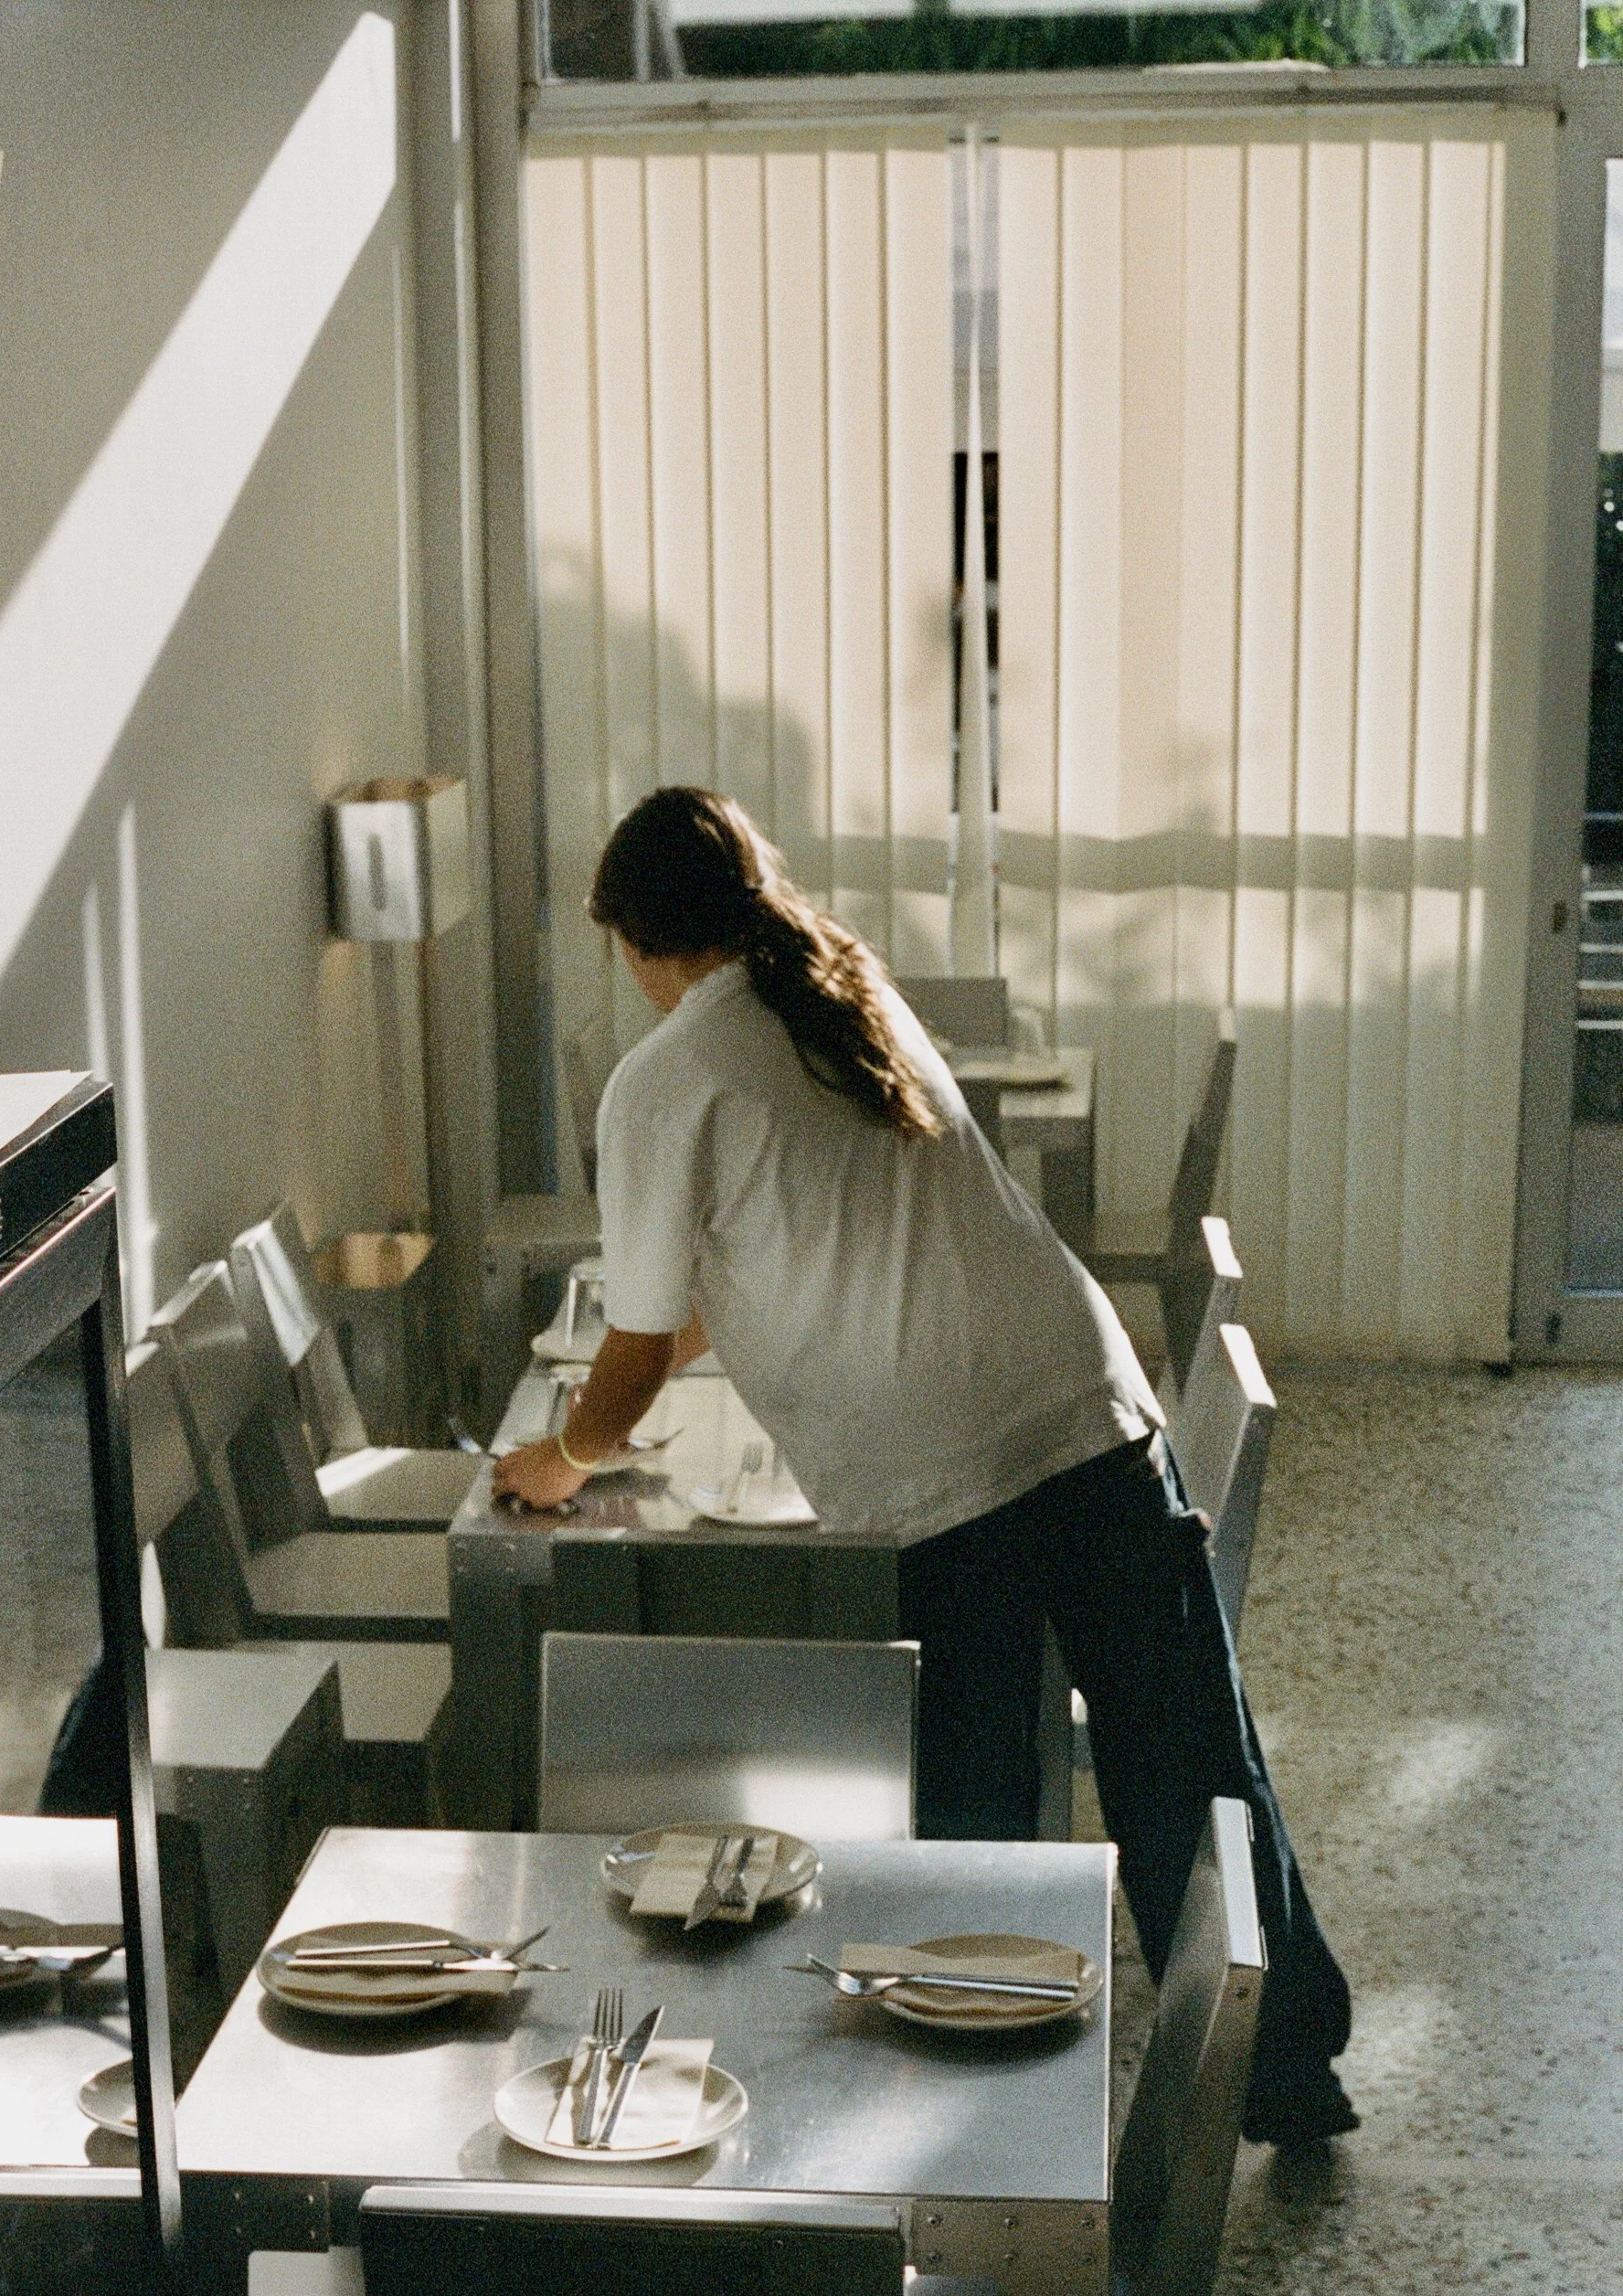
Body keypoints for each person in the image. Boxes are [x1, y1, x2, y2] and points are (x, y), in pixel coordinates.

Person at [493, 785, 1355, 2147]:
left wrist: (558, 1457)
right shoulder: (841, 988)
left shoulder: (662, 1077)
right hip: (1083, 1398)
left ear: (639, 937)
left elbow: (640, 1348)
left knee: (969, 1805)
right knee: (1186, 1759)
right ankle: (1288, 2067)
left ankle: (986, 2112)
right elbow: (758, 1254)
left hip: (943, 1470)